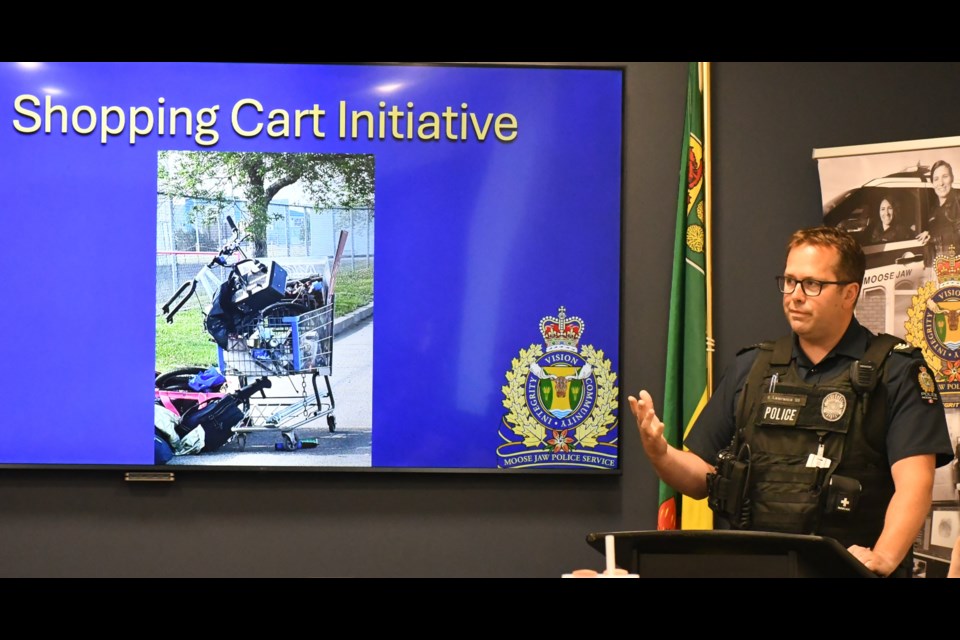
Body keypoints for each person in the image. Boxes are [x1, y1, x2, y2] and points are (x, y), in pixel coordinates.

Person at [630, 226, 953, 577]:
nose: (795, 295)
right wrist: (660, 453)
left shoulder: (896, 372)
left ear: (850, 293)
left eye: (812, 284)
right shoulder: (751, 369)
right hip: (754, 570)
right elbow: (701, 477)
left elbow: (915, 485)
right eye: (789, 281)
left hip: (846, 573)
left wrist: (884, 558)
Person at [917, 160, 960, 262]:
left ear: (952, 178)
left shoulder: (958, 201)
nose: (941, 183)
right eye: (936, 179)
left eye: (945, 176)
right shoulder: (933, 210)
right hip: (940, 267)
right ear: (932, 183)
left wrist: (933, 233)